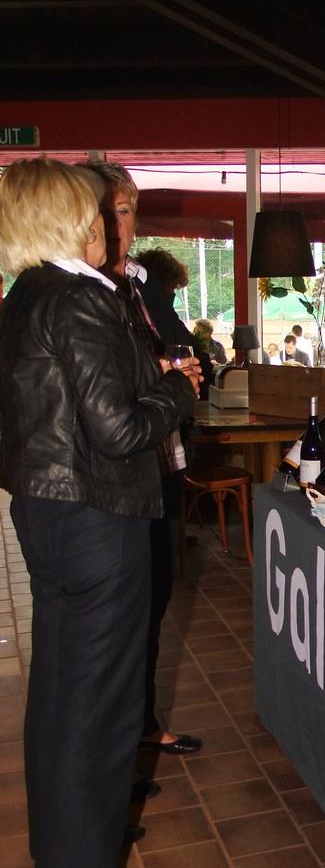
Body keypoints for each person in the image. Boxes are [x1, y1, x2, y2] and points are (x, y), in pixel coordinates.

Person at [0, 158, 198, 868]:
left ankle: (69, 852)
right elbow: (117, 431)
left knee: (61, 697)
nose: (103, 225)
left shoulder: (25, 294)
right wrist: (178, 387)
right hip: (96, 518)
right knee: (103, 706)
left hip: (50, 513)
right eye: (92, 212)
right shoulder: (80, 298)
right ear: (68, 220)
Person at [84, 160, 205, 756]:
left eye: (124, 211)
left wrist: (175, 366)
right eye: (104, 212)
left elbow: (184, 346)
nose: (115, 224)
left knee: (154, 600)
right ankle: (115, 743)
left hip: (159, 461)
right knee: (112, 619)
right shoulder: (78, 291)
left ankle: (142, 721)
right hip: (109, 476)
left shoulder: (140, 283)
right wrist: (157, 372)